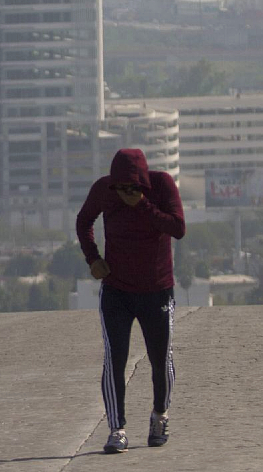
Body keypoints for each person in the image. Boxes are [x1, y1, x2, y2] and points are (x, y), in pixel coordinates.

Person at [76, 148, 185, 453]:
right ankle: (116, 429)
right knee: (114, 359)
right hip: (117, 291)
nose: (125, 193)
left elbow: (179, 228)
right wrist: (92, 258)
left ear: (142, 183)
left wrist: (144, 205)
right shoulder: (103, 190)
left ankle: (160, 415)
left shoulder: (162, 185)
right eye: (121, 188)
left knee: (160, 358)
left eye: (131, 187)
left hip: (157, 290)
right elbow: (84, 220)